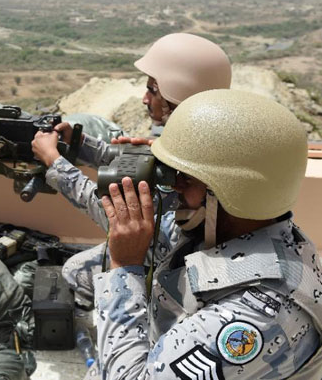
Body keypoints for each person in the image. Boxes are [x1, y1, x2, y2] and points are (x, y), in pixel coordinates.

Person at [95, 89, 322, 379]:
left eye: (185, 178)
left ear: (228, 193)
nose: (176, 186)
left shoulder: (255, 317)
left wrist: (124, 267)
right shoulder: (237, 231)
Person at [31, 33, 231, 308]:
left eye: (153, 90)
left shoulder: (193, 170)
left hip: (182, 269)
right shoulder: (206, 137)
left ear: (176, 97)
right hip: (182, 252)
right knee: (76, 267)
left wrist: (55, 163)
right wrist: (78, 144)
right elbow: (131, 162)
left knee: (77, 274)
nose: (145, 99)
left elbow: (119, 217)